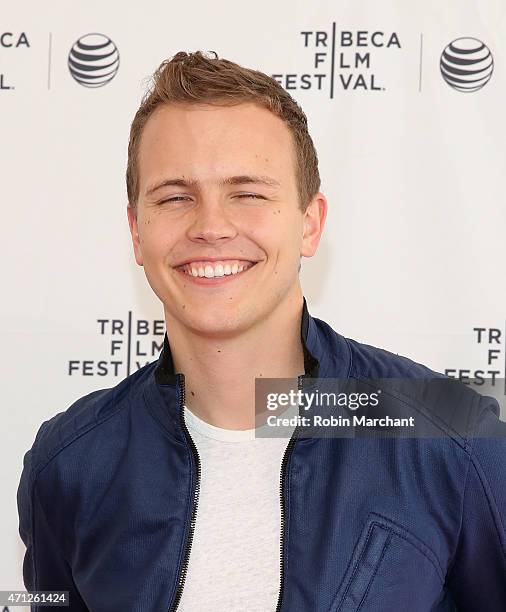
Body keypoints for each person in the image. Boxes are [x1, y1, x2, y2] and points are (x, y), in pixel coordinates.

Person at [17, 50, 506, 612]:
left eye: (247, 193)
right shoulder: (68, 464)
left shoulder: (449, 438)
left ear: (310, 222)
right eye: (175, 197)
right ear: (136, 230)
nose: (211, 227)